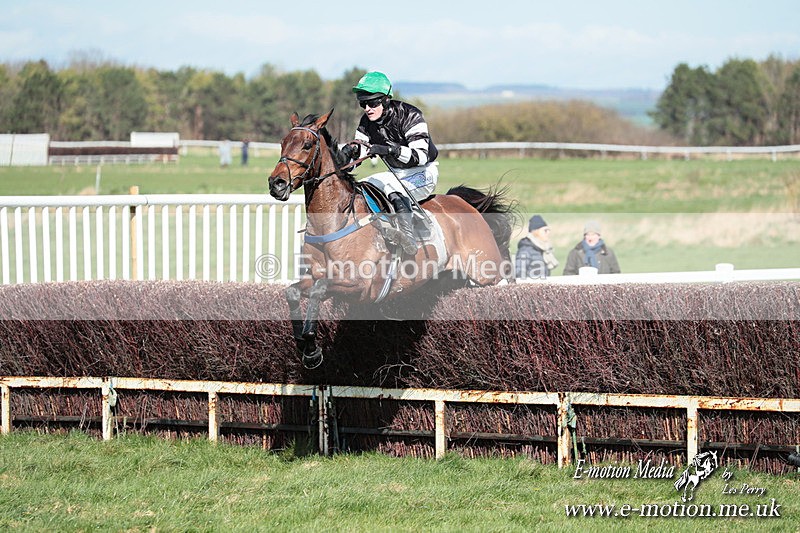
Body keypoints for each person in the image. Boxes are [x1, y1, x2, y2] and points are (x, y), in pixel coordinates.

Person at [340, 71, 438, 255]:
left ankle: (408, 238)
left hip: (423, 173)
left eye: (373, 103)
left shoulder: (410, 115)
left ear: (386, 100)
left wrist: (389, 150)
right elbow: (359, 153)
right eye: (363, 103)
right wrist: (345, 155)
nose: (367, 108)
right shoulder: (366, 122)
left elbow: (422, 155)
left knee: (392, 187)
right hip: (395, 173)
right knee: (364, 186)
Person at [515, 215, 558, 279]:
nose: (548, 233)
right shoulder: (525, 250)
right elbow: (519, 274)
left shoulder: (543, 250)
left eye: (549, 230)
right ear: (536, 231)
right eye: (545, 230)